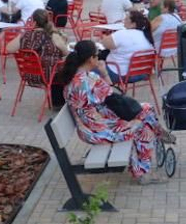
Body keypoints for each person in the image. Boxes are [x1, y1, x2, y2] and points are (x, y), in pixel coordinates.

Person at [50, 40, 174, 184]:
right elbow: (116, 97)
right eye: (97, 55)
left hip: (90, 126)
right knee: (143, 127)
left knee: (146, 109)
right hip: (98, 131)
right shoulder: (89, 80)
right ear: (91, 59)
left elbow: (107, 100)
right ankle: (143, 173)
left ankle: (159, 135)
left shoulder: (74, 78)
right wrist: (104, 72)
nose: (99, 58)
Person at [7, 7, 67, 83]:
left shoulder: (24, 35)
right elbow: (66, 53)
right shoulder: (53, 36)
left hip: (28, 75)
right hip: (50, 76)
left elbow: (9, 49)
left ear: (33, 22)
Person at [102, 9, 153, 82]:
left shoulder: (123, 33)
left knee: (90, 70)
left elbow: (105, 44)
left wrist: (103, 37)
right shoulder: (147, 36)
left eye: (126, 18)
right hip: (142, 73)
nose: (124, 20)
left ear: (133, 24)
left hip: (120, 74)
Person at [151, 0, 182, 66]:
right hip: (174, 48)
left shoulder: (160, 18)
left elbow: (148, 29)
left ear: (167, 7)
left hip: (160, 49)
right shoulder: (177, 17)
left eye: (162, 5)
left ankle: (149, 68)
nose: (160, 7)